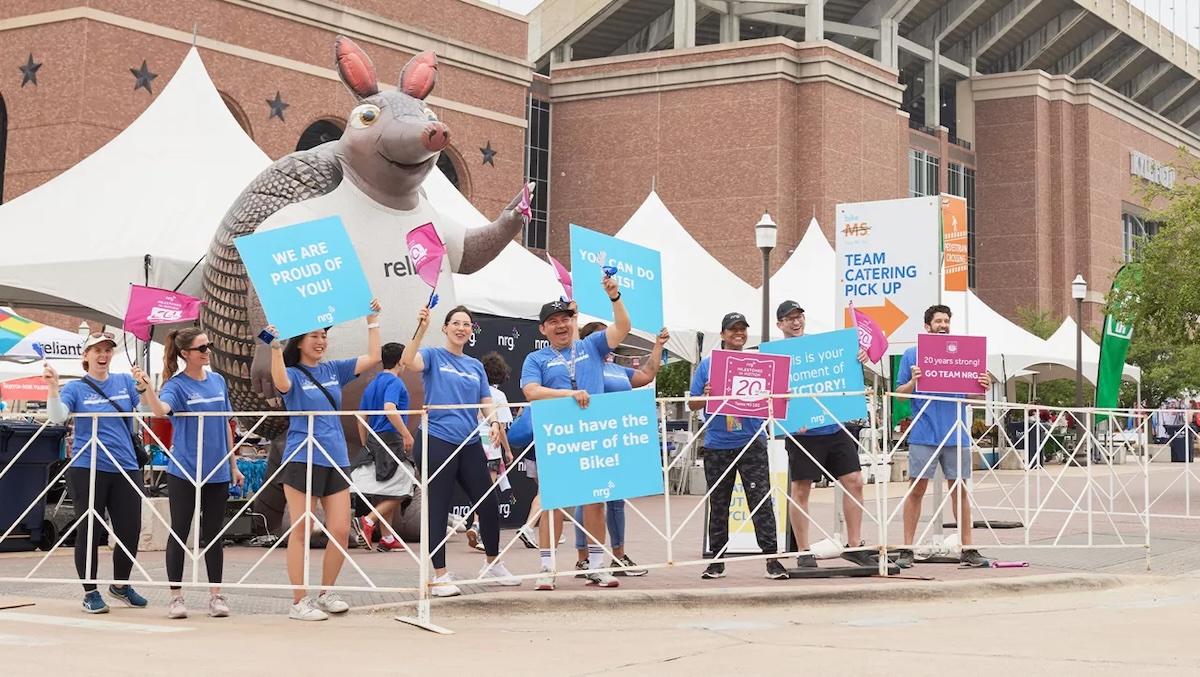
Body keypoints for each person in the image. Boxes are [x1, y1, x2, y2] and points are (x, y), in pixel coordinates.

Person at [266, 298, 382, 621]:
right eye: (314, 335)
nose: (321, 341)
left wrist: (371, 320)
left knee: (342, 529)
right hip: (303, 456)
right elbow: (281, 382)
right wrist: (275, 348)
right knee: (302, 529)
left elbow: (373, 357)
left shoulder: (333, 369)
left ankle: (326, 591)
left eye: (323, 336)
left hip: (336, 457)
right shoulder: (292, 372)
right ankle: (298, 601)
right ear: (300, 341)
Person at [521, 275, 632, 591]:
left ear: (573, 322)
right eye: (552, 321)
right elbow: (530, 390)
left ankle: (596, 566)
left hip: (592, 434)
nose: (560, 325)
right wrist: (567, 395)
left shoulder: (591, 345)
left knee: (595, 501)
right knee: (554, 503)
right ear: (543, 329)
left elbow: (622, 327)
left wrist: (614, 297)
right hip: (556, 437)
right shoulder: (536, 358)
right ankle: (547, 567)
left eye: (565, 319)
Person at [403, 304, 521, 597]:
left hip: (469, 442)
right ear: (445, 328)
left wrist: (494, 421)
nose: (461, 328)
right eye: (455, 323)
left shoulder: (474, 366)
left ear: (471, 331)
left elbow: (485, 400)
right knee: (438, 507)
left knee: (488, 502)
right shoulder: (433, 355)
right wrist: (419, 328)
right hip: (436, 439)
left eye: (466, 324)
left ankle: (493, 562)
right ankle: (440, 576)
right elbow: (408, 360)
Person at [139, 328, 245, 619]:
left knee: (214, 534)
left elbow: (226, 423)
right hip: (185, 468)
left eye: (208, 346)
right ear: (186, 354)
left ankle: (216, 596)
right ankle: (176, 597)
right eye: (201, 348)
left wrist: (233, 464)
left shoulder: (218, 381)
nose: (207, 351)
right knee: (180, 531)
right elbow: (161, 410)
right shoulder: (177, 384)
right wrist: (148, 386)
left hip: (217, 469)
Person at [44, 331, 149, 614]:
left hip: (126, 465)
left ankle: (121, 585)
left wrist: (144, 386)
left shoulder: (124, 381)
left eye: (107, 350)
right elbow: (57, 417)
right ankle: (90, 592)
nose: (103, 355)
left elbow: (149, 409)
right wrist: (53, 387)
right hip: (88, 465)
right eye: (97, 350)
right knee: (89, 530)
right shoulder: (76, 388)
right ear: (86, 356)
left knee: (129, 530)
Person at [688, 312, 789, 581]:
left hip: (751, 442)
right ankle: (717, 562)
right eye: (733, 329)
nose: (739, 334)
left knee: (760, 502)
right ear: (722, 334)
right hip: (717, 443)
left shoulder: (758, 362)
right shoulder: (707, 365)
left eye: (743, 329)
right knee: (718, 503)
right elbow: (692, 403)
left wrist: (781, 395)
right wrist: (706, 396)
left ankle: (772, 560)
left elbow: (778, 398)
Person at [773, 300, 873, 568]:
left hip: (833, 425)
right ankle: (804, 550)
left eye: (799, 316)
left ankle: (854, 545)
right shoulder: (776, 354)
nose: (796, 322)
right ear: (779, 324)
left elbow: (843, 370)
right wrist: (792, 416)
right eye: (789, 318)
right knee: (801, 488)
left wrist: (859, 356)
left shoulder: (824, 348)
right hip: (803, 431)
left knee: (854, 480)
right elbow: (773, 396)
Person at [895, 304, 993, 568]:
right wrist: (914, 381)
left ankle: (968, 548)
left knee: (959, 491)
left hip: (956, 431)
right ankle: (906, 548)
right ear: (927, 326)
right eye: (938, 321)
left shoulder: (963, 353)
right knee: (916, 489)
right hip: (925, 432)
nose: (943, 325)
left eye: (946, 321)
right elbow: (900, 394)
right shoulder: (911, 354)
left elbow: (974, 396)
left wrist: (983, 386)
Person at [570, 321, 669, 577]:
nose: (605, 341)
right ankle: (584, 558)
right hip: (591, 439)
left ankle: (619, 555)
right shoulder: (580, 368)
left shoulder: (618, 370)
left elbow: (647, 375)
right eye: (598, 338)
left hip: (616, 440)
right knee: (589, 499)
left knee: (616, 501)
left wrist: (658, 346)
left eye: (607, 336)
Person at [353, 341, 416, 554]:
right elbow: (390, 408)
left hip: (374, 438)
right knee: (406, 484)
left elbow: (361, 416)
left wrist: (365, 441)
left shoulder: (372, 383)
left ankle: (387, 537)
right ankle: (369, 521)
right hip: (391, 438)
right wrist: (406, 433)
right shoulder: (396, 383)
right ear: (401, 360)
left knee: (386, 487)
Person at [463, 352, 516, 553]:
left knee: (478, 490)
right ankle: (479, 527)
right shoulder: (499, 396)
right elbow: (500, 426)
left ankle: (476, 524)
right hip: (492, 447)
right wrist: (508, 450)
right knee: (488, 491)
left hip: (471, 444)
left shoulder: (472, 389)